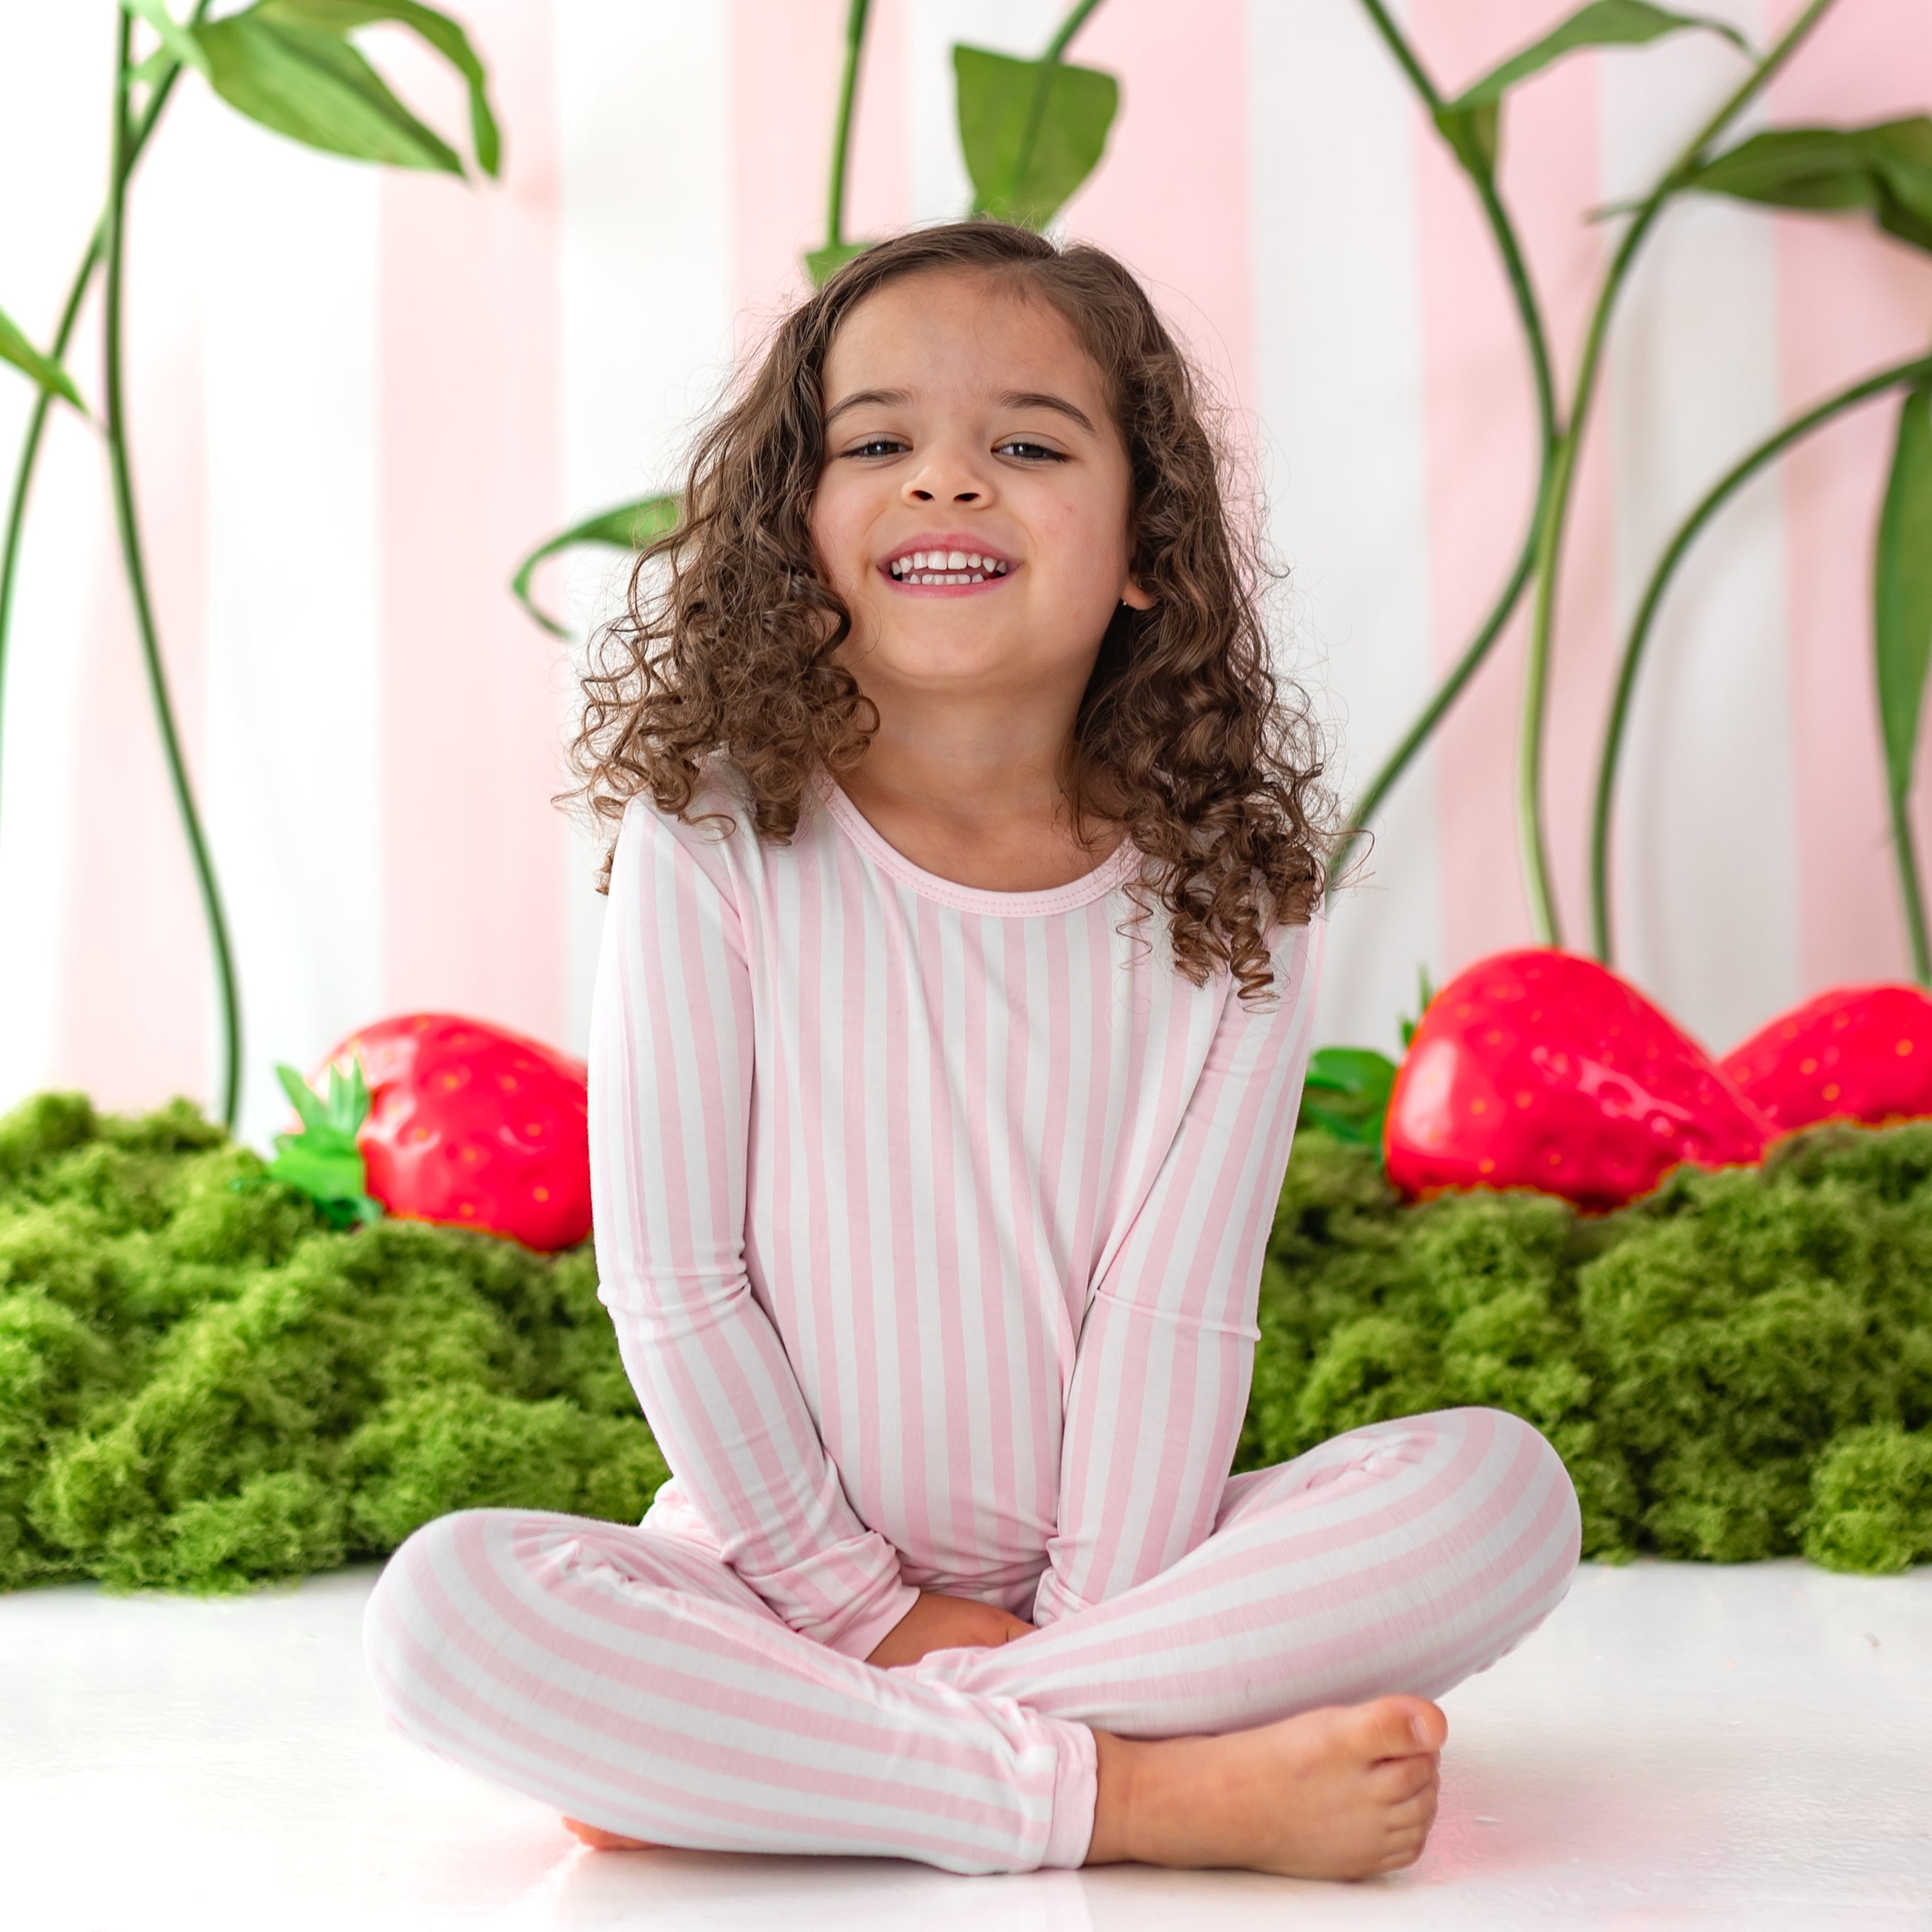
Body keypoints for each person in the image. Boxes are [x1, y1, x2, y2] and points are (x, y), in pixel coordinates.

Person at [362, 220, 1579, 1880]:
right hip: (771, 1582)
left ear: (1146, 545)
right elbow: (675, 1276)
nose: (945, 480)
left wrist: (1063, 1622)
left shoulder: (1231, 884)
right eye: (877, 443)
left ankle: (795, 1759)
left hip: (1138, 1578)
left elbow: (1175, 1306)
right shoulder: (712, 834)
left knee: (1499, 1496)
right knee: (446, 1613)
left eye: (1021, 442)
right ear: (798, 531)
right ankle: (1138, 1790)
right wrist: (858, 1608)